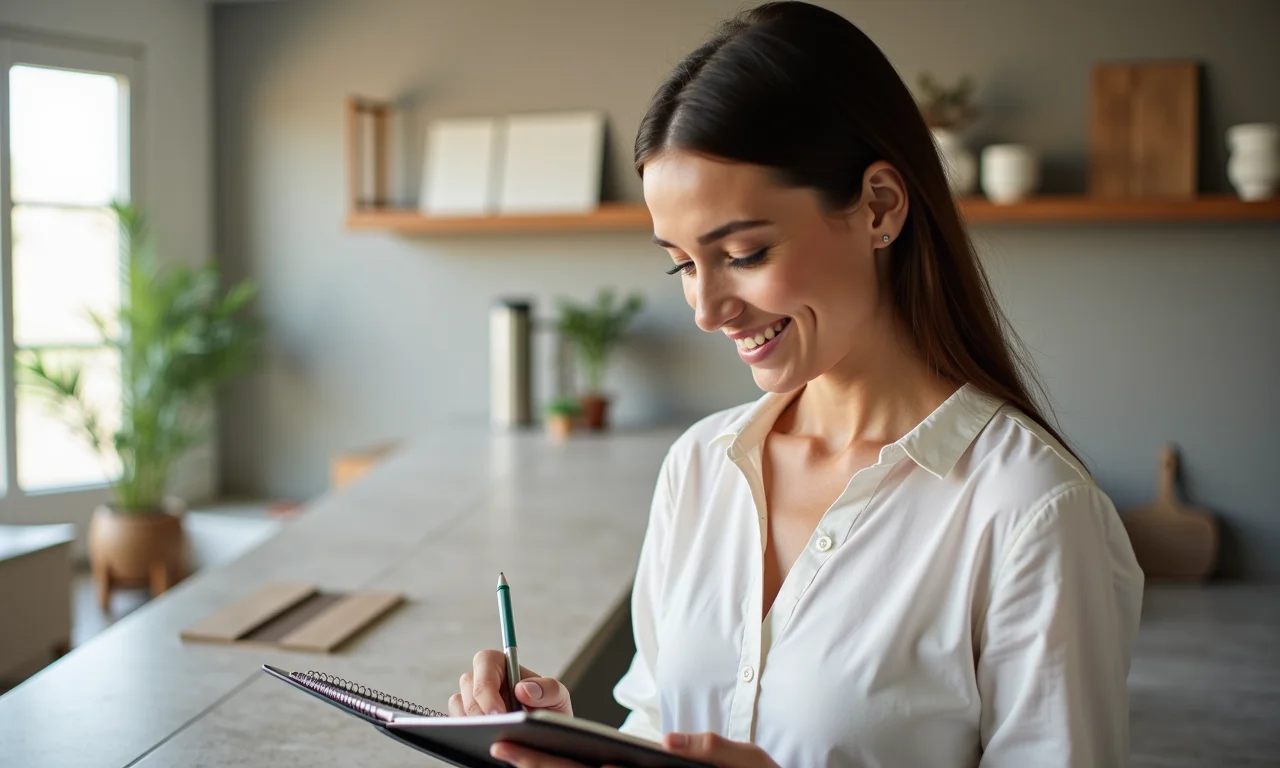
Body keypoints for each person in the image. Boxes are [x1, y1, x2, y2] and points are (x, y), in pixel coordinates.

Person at [452, 2, 1144, 766]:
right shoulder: (700, 468)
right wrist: (570, 745)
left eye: (743, 253)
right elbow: (659, 726)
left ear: (879, 206)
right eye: (682, 263)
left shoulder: (1030, 512)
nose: (707, 310)